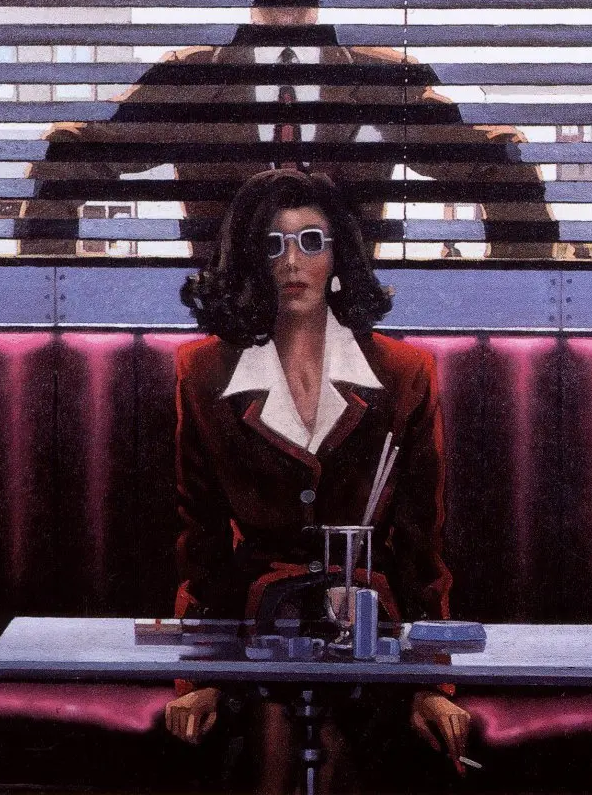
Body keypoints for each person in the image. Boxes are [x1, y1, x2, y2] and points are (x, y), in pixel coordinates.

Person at [19, 0, 558, 260]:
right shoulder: (190, 80)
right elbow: (70, 157)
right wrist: (51, 292)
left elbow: (500, 166)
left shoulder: (382, 79)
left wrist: (512, 297)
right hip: (227, 326)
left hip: (347, 325)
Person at [163, 169, 470, 794]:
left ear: (338, 256)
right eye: (272, 243)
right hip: (254, 623)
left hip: (371, 625)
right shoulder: (204, 372)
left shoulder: (404, 372)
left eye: (310, 240)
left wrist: (431, 684)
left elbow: (422, 546)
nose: (291, 261)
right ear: (249, 258)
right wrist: (200, 678)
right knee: (271, 718)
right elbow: (201, 542)